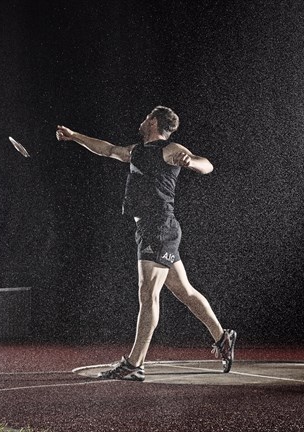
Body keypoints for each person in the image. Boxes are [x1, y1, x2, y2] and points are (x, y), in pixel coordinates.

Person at [56, 106, 236, 381]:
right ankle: (223, 338)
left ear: (153, 121)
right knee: (185, 292)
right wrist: (74, 136)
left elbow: (206, 164)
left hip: (159, 227)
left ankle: (134, 363)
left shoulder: (169, 148)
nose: (141, 121)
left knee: (148, 292)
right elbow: (108, 149)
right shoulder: (138, 151)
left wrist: (191, 162)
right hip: (149, 229)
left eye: (145, 117)